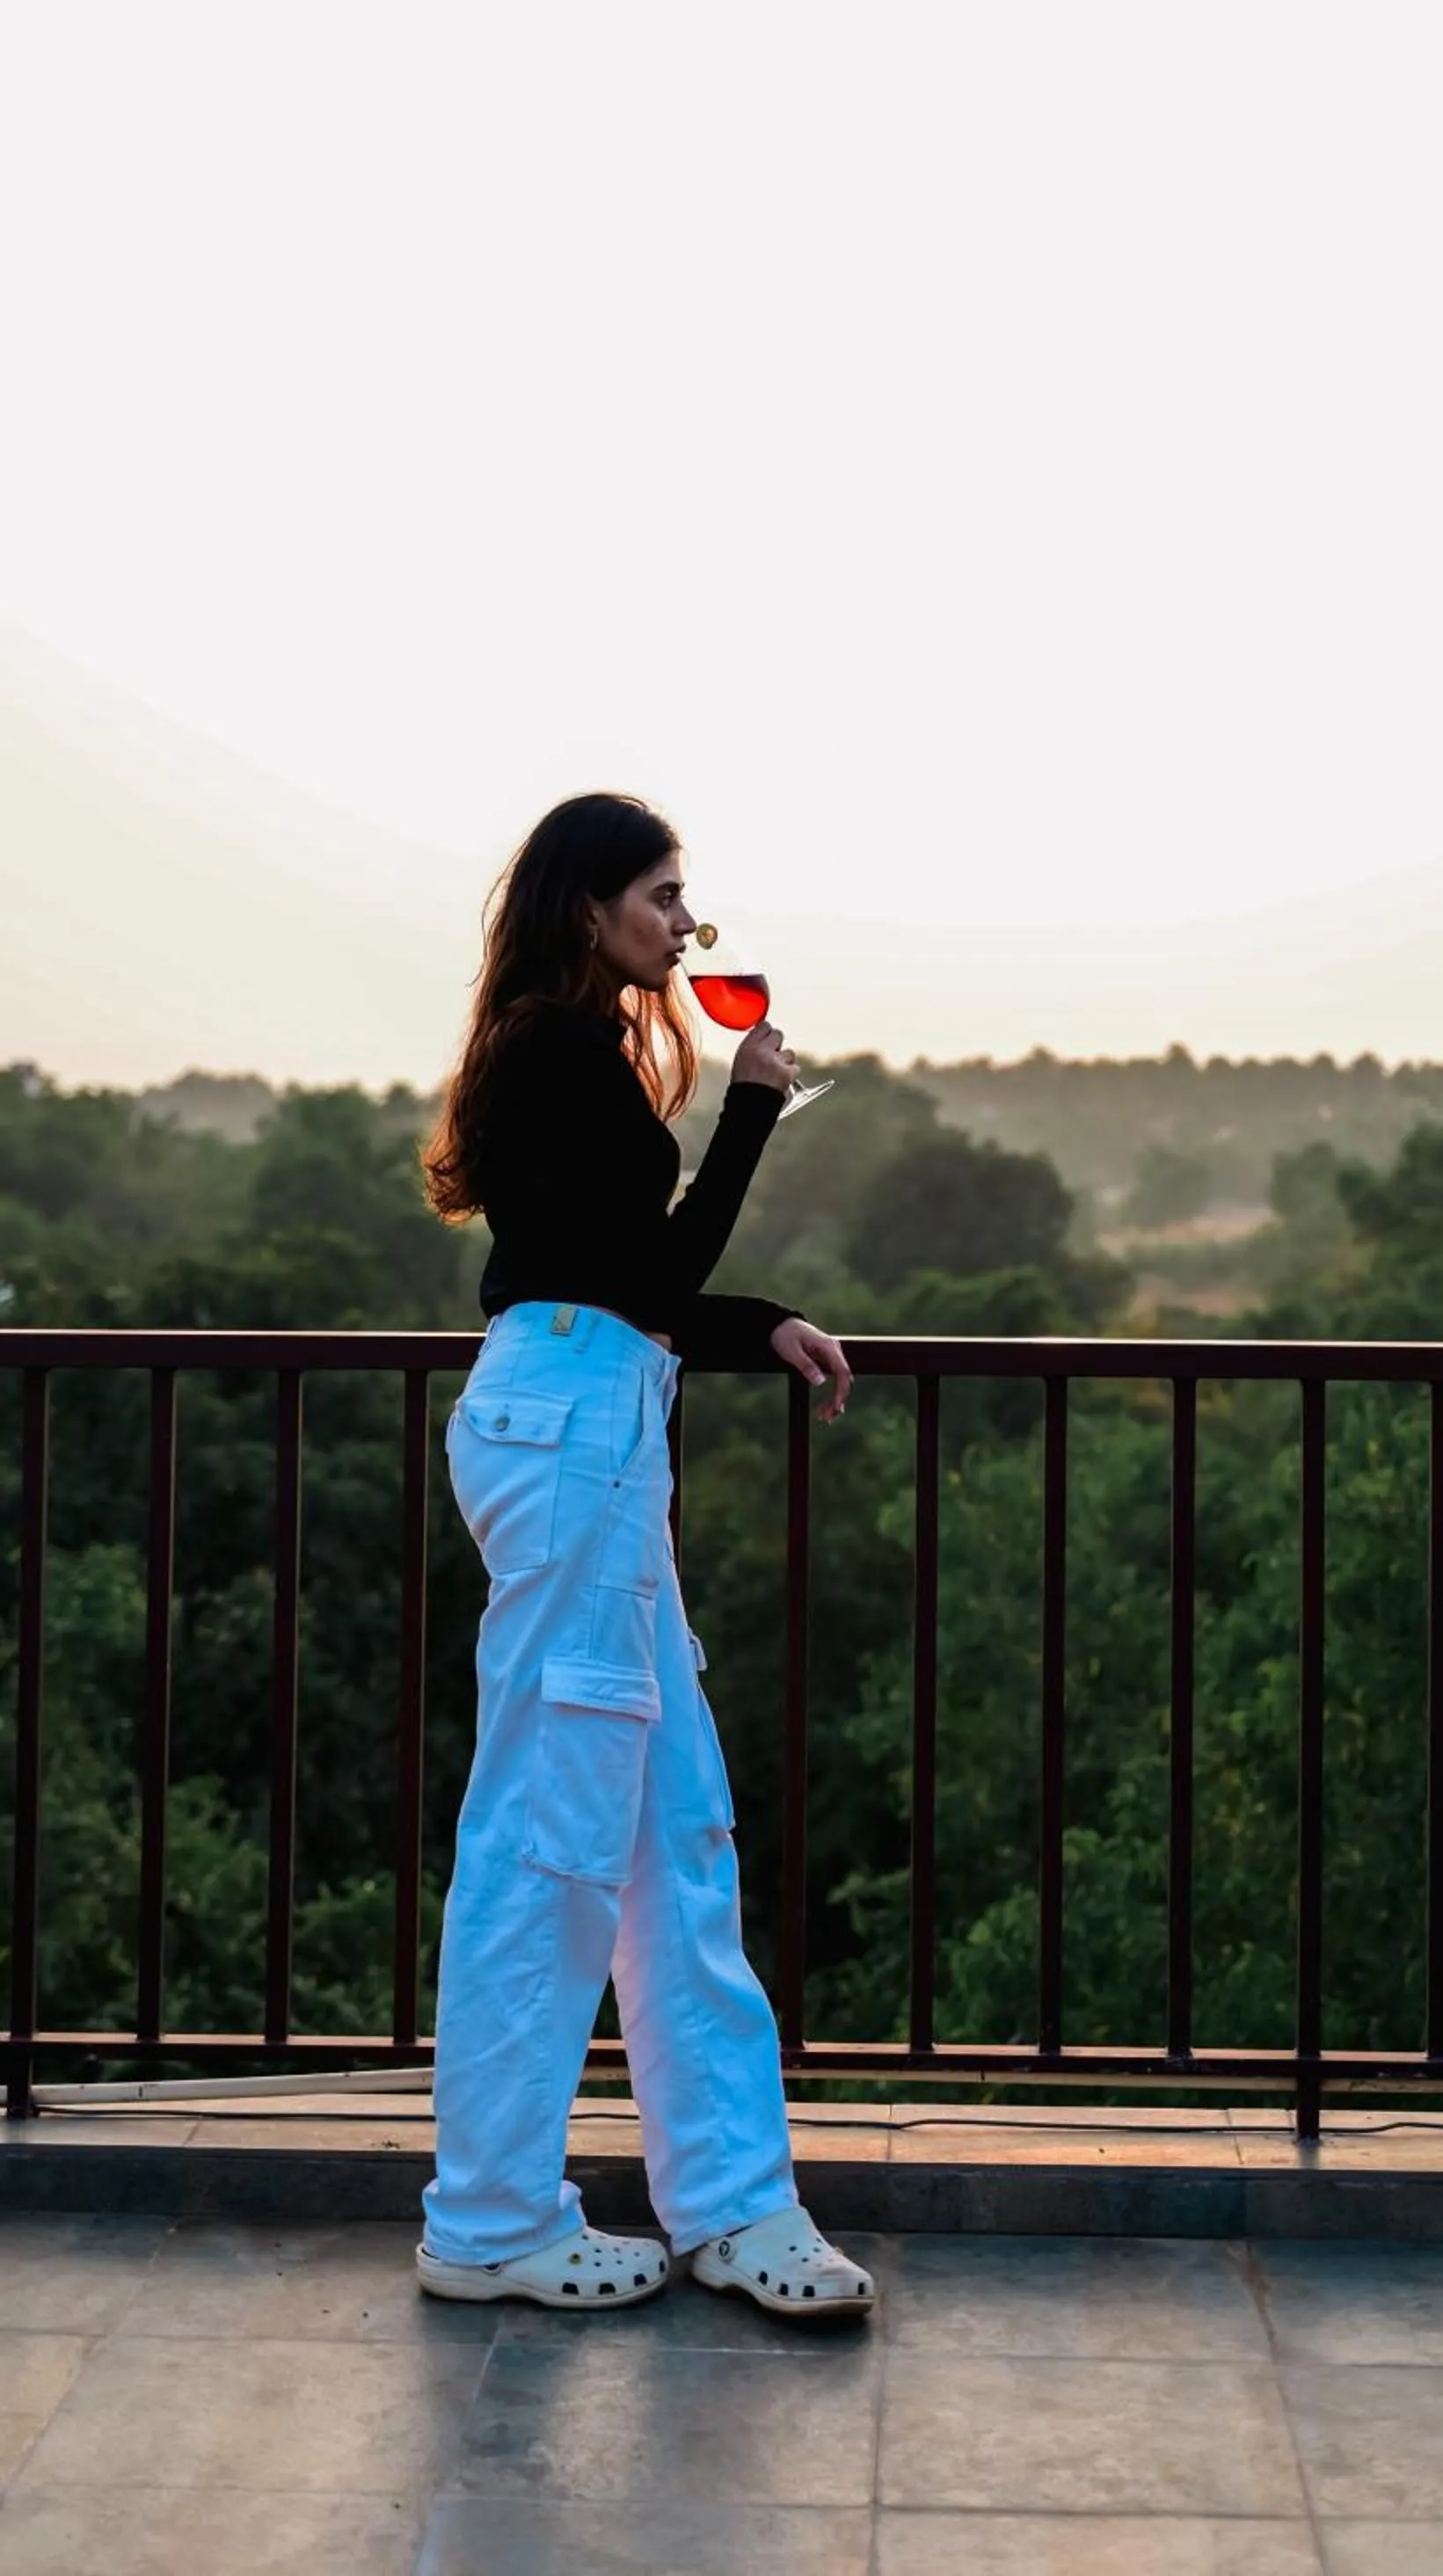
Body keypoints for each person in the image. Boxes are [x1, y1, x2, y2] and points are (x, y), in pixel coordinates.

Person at [414, 791, 874, 2322]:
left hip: (591, 1425)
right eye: (667, 898)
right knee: (549, 1844)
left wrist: (761, 1325)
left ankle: (735, 2204)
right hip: (575, 1441)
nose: (688, 927)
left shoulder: (565, 1052)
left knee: (675, 1842)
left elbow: (616, 1277)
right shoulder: (557, 1051)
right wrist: (750, 1104)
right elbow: (638, 1274)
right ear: (592, 903)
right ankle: (487, 2221)